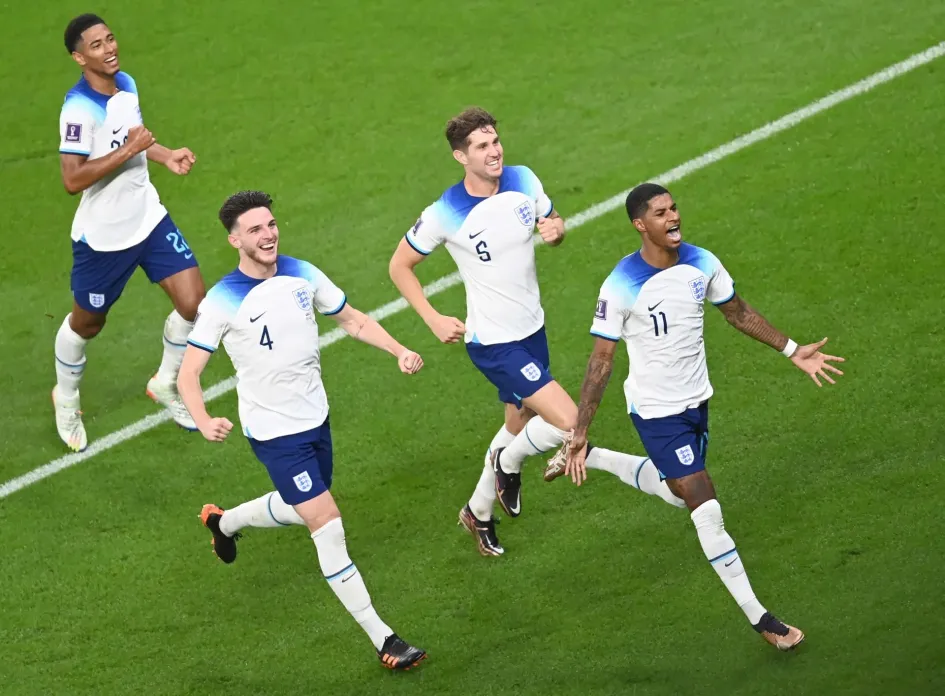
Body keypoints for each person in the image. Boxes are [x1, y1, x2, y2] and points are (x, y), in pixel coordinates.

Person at [557, 182, 846, 651]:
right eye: (659, 212)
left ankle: (600, 457)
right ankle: (763, 620)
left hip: (696, 403)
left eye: (674, 208)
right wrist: (579, 426)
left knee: (678, 496)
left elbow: (737, 312)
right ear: (640, 225)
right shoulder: (619, 285)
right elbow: (601, 361)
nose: (672, 217)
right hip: (655, 412)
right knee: (706, 509)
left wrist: (793, 350)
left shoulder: (702, 262)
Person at [388, 108, 683, 558]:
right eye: (482, 146)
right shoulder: (445, 212)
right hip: (493, 342)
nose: (494, 151)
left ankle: (477, 510)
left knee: (516, 424)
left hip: (532, 330)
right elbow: (399, 266)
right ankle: (509, 464)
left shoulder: (524, 179)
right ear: (460, 157)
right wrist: (431, 317)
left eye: (495, 141)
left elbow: (555, 224)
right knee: (570, 420)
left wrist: (556, 231)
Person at [178, 190, 427, 671]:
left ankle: (223, 522)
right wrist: (204, 418)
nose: (267, 234)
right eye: (254, 229)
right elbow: (188, 375)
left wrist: (397, 350)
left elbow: (351, 320)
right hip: (273, 433)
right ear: (234, 240)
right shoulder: (222, 301)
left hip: (316, 418)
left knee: (302, 508)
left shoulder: (302, 272)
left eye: (270, 224)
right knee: (327, 523)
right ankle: (385, 639)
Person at [54, 13, 205, 451]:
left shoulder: (128, 84)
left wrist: (164, 155)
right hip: (104, 239)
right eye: (97, 45)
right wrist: (129, 151)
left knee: (194, 304)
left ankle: (165, 382)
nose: (110, 49)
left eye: (111, 39)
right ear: (79, 57)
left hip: (149, 219)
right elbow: (72, 179)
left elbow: (134, 138)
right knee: (88, 323)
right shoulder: (77, 109)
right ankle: (66, 398)